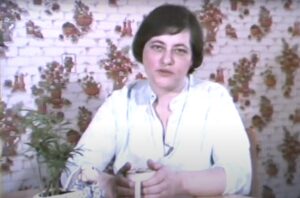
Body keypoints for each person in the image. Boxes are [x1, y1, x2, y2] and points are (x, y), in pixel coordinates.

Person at [60, 3, 252, 197]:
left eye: (179, 50)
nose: (166, 60)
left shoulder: (215, 98)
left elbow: (240, 176)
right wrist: (110, 185)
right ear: (142, 51)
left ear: (192, 58)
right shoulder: (120, 102)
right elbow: (72, 172)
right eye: (157, 47)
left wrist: (179, 183)